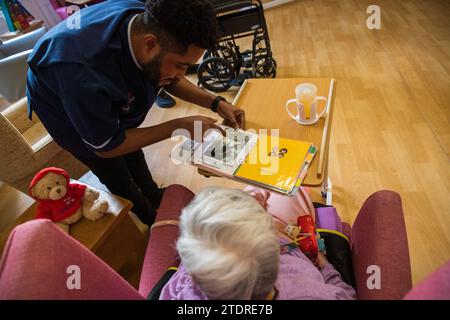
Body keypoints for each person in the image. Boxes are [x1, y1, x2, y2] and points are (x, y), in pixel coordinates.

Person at [26, 0, 245, 226]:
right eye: (181, 65)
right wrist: (177, 126)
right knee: (114, 171)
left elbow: (167, 77)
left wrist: (216, 102)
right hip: (59, 102)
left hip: (89, 77)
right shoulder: (81, 73)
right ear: (150, 44)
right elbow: (108, 147)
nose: (182, 74)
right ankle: (148, 217)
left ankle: (152, 193)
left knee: (132, 146)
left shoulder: (146, 20)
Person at [159, 187, 356, 300]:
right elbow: (345, 295)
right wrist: (326, 267)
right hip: (288, 236)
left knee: (258, 193)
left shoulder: (185, 288)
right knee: (292, 190)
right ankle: (257, 198)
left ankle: (254, 199)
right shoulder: (304, 288)